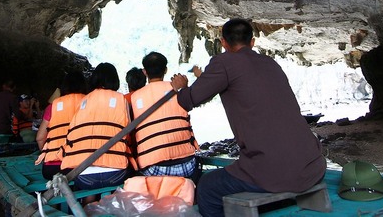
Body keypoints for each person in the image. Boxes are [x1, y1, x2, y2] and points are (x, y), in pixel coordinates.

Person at [170, 18, 326, 217]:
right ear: (252, 42)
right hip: (313, 166)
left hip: (277, 173)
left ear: (223, 43)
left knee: (208, 186)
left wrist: (180, 87)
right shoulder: (270, 63)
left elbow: (190, 99)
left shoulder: (224, 62)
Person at [60, 63, 135, 193]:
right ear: (115, 80)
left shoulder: (83, 101)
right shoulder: (121, 99)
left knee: (89, 186)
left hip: (82, 176)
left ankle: (88, 203)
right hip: (115, 175)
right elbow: (128, 133)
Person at [130, 51, 200, 182]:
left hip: (154, 169)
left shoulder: (134, 97)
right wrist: (185, 87)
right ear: (166, 70)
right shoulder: (178, 90)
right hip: (186, 166)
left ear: (144, 72)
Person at [35, 70, 88, 180]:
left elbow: (40, 138)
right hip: (82, 167)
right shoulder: (90, 102)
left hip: (52, 168)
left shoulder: (53, 106)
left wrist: (47, 154)